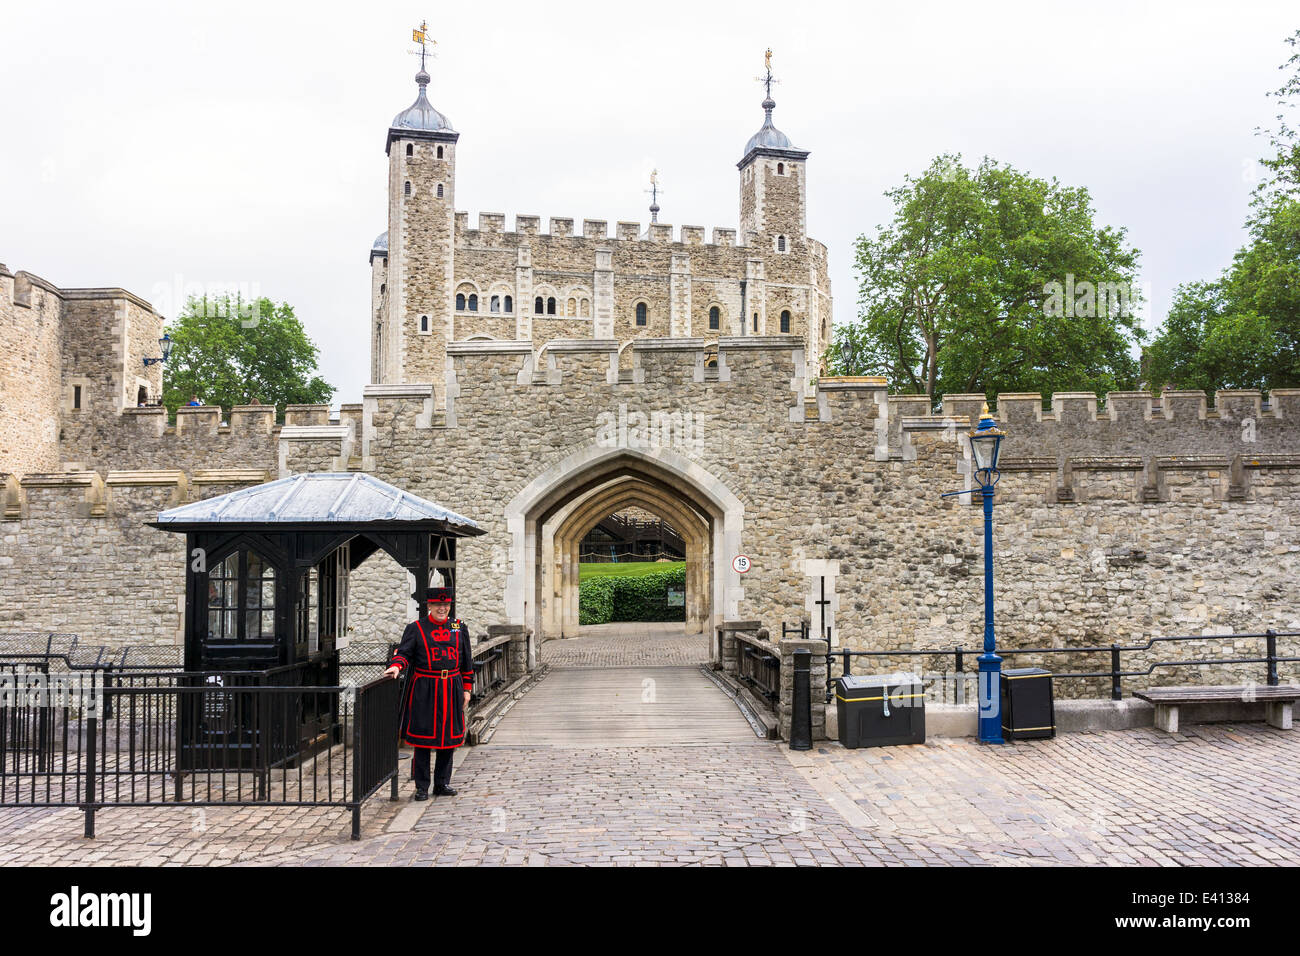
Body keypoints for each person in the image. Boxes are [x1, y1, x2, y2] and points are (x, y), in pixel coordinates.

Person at [384, 586, 473, 799]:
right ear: (429, 606)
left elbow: (466, 660)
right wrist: (396, 666)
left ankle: (442, 783)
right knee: (423, 740)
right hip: (425, 689)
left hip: (452, 687)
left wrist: (467, 689)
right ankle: (422, 787)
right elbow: (404, 653)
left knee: (448, 739)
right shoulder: (416, 628)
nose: (442, 609)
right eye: (437, 605)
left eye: (446, 605)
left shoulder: (459, 627)